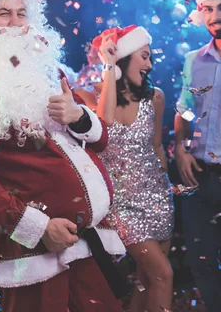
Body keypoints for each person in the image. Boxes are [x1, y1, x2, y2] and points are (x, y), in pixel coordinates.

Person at [0, 0, 126, 312]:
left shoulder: (50, 74)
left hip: (87, 242)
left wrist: (78, 116)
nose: (16, 23)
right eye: (4, 14)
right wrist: (39, 227)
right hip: (34, 256)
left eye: (21, 13)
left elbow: (102, 141)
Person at [76, 25, 174, 312]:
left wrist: (165, 189)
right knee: (163, 275)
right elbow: (103, 123)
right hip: (120, 205)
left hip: (157, 198)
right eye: (143, 56)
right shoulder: (88, 97)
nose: (149, 64)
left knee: (147, 279)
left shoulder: (155, 97)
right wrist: (109, 66)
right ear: (123, 57)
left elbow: (157, 146)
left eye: (150, 58)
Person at [175, 0, 221, 311]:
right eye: (207, 8)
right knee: (202, 263)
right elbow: (185, 110)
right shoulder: (194, 61)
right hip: (202, 177)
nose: (215, 17)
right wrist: (180, 145)